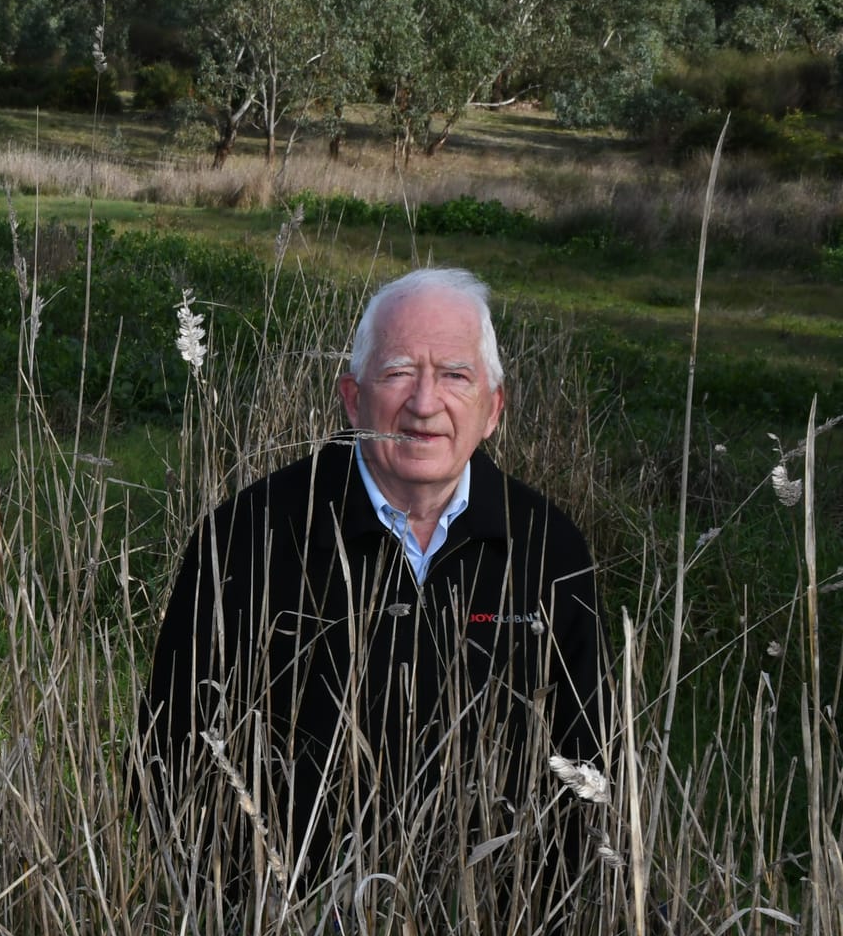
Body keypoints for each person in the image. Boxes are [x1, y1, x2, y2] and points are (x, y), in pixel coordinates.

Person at [138, 268, 606, 899]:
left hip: (493, 930)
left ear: (493, 409)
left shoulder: (548, 547)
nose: (424, 403)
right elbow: (174, 750)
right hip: (285, 934)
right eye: (398, 372)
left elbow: (589, 760)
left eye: (455, 376)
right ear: (353, 398)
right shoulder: (251, 534)